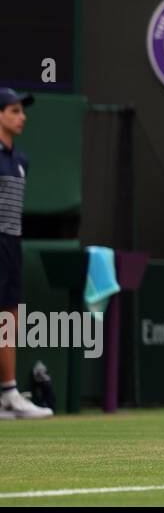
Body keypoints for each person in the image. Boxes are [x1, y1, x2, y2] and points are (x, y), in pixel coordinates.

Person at [0, 88, 52, 419]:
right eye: (15, 111)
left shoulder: (21, 161)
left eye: (23, 111)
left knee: (8, 321)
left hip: (11, 245)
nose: (23, 117)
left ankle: (7, 395)